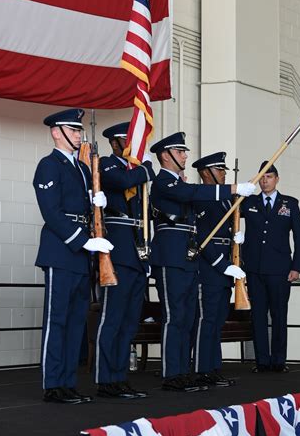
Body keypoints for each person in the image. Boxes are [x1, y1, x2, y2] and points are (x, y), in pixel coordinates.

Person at [149, 132, 256, 392]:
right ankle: (171, 374)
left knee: (186, 318)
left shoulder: (181, 185)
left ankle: (184, 371)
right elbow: (191, 193)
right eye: (180, 151)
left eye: (185, 151)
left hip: (188, 258)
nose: (185, 155)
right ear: (166, 155)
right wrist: (232, 189)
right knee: (174, 318)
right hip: (170, 257)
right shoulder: (163, 182)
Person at [33, 108, 113, 404]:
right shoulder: (49, 165)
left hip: (81, 253)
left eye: (79, 130)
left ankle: (68, 382)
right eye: (73, 130)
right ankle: (53, 384)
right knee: (57, 320)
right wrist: (83, 241)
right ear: (57, 132)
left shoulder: (81, 168)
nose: (79, 135)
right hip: (61, 251)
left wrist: (97, 203)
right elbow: (51, 212)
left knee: (76, 320)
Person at [95, 122, 155, 399]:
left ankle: (120, 376)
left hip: (137, 252)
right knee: (112, 319)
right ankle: (105, 378)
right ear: (116, 143)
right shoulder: (107, 165)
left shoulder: (136, 174)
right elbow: (120, 183)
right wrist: (143, 170)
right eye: (128, 141)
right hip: (118, 252)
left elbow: (146, 215)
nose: (133, 148)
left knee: (130, 321)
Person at [240, 163, 300, 373]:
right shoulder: (249, 202)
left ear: (277, 179)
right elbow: (231, 214)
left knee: (279, 315)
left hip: (280, 269)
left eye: (268, 177)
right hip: (255, 269)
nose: (264, 181)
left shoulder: (289, 204)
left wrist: (297, 267)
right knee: (258, 316)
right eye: (261, 177)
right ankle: (262, 361)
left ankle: (278, 360)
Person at [191, 152, 245, 387]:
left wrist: (236, 246)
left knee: (218, 319)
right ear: (206, 173)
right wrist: (223, 266)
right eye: (219, 169)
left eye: (224, 169)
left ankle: (213, 368)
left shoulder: (226, 200)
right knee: (207, 319)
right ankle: (202, 368)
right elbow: (203, 238)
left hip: (226, 266)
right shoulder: (202, 199)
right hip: (210, 268)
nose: (224, 173)